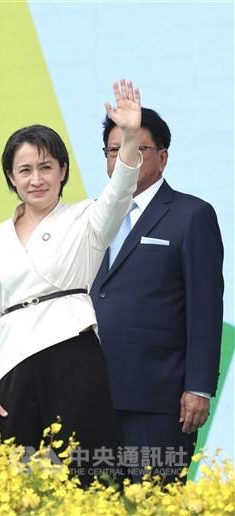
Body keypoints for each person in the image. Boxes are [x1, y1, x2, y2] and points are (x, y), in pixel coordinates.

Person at [0, 80, 143, 484]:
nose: (36, 179)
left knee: (89, 477)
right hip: (12, 365)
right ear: (11, 178)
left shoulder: (87, 218)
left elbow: (121, 189)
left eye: (46, 167)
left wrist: (130, 136)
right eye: (25, 170)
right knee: (16, 484)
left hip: (72, 354)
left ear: (63, 171)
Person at [90, 108, 224, 483]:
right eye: (114, 150)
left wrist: (198, 386)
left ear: (162, 157)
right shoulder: (94, 215)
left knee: (154, 500)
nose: (123, 159)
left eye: (136, 148)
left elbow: (206, 308)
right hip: (94, 396)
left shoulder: (190, 215)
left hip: (158, 399)